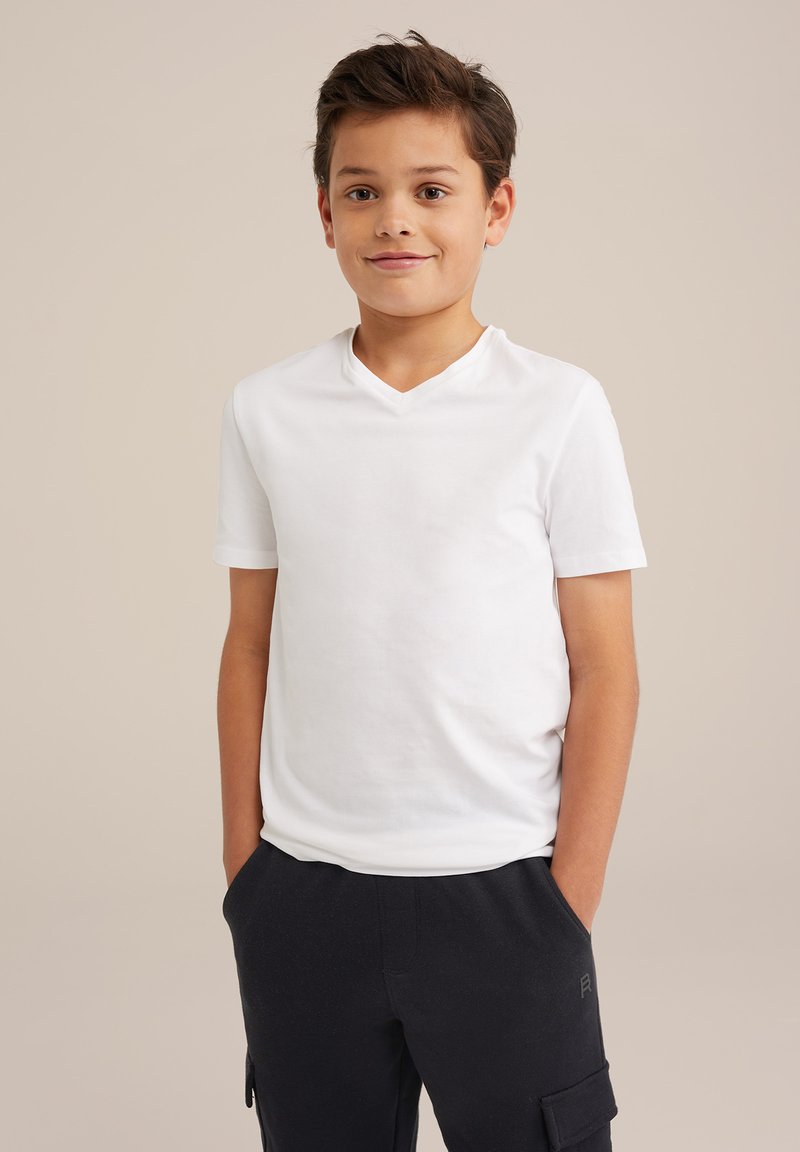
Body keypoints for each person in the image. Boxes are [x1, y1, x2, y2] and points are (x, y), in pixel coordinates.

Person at [212, 27, 646, 1152]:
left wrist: (567, 897)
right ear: (324, 215)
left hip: (502, 891)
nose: (393, 218)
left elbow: (604, 664)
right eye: (361, 191)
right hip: (304, 894)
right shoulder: (267, 410)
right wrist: (246, 870)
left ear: (495, 210)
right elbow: (249, 643)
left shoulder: (558, 408)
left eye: (431, 190)